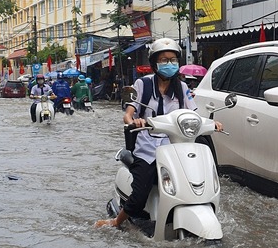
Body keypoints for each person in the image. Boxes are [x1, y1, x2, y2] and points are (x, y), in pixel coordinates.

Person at [95, 38, 223, 229]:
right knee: (139, 195)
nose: (169, 64)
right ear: (155, 63)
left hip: (176, 148)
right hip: (147, 150)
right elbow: (128, 115)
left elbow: (193, 115)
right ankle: (116, 221)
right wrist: (135, 121)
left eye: (173, 60)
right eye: (164, 60)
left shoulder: (183, 88)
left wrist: (212, 123)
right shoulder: (143, 85)